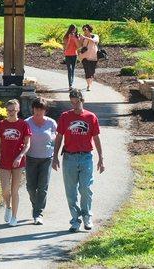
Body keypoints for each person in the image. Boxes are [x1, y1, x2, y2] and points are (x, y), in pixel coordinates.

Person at [52, 88, 104, 233]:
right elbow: (59, 137)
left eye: (77, 102)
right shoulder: (65, 117)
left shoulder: (91, 117)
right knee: (71, 191)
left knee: (85, 188)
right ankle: (75, 220)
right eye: (72, 103)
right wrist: (55, 156)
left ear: (82, 100)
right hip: (69, 157)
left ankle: (87, 216)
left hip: (86, 156)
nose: (74, 105)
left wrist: (101, 158)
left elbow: (96, 138)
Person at [0, 99, 32, 227]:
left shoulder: (23, 125)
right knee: (5, 189)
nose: (11, 113)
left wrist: (20, 156)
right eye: (9, 110)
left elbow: (27, 144)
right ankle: (7, 207)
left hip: (18, 162)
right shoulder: (2, 124)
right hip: (4, 161)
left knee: (14, 190)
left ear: (18, 110)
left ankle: (14, 217)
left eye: (13, 110)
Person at [24, 97, 57, 225]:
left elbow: (57, 136)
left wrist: (52, 139)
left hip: (46, 159)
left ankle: (38, 213)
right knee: (31, 187)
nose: (38, 112)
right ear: (33, 109)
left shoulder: (51, 123)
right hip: (31, 158)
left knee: (42, 187)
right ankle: (36, 206)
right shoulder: (27, 122)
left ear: (45, 110)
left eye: (41, 109)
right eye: (36, 109)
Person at [79, 24, 99, 91]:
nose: (84, 31)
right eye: (83, 29)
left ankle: (90, 83)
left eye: (85, 29)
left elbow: (94, 41)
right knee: (87, 71)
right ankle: (88, 85)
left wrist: (85, 37)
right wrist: (80, 39)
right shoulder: (83, 37)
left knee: (92, 72)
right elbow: (80, 45)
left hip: (94, 57)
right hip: (84, 57)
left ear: (89, 29)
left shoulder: (95, 36)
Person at [63, 24, 80, 90]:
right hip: (67, 55)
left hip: (74, 55)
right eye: (73, 30)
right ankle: (70, 85)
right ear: (70, 30)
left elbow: (78, 46)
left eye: (75, 30)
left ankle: (71, 84)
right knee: (69, 70)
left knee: (72, 70)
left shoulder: (77, 36)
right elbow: (65, 48)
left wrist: (75, 38)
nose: (74, 31)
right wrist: (70, 39)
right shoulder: (66, 37)